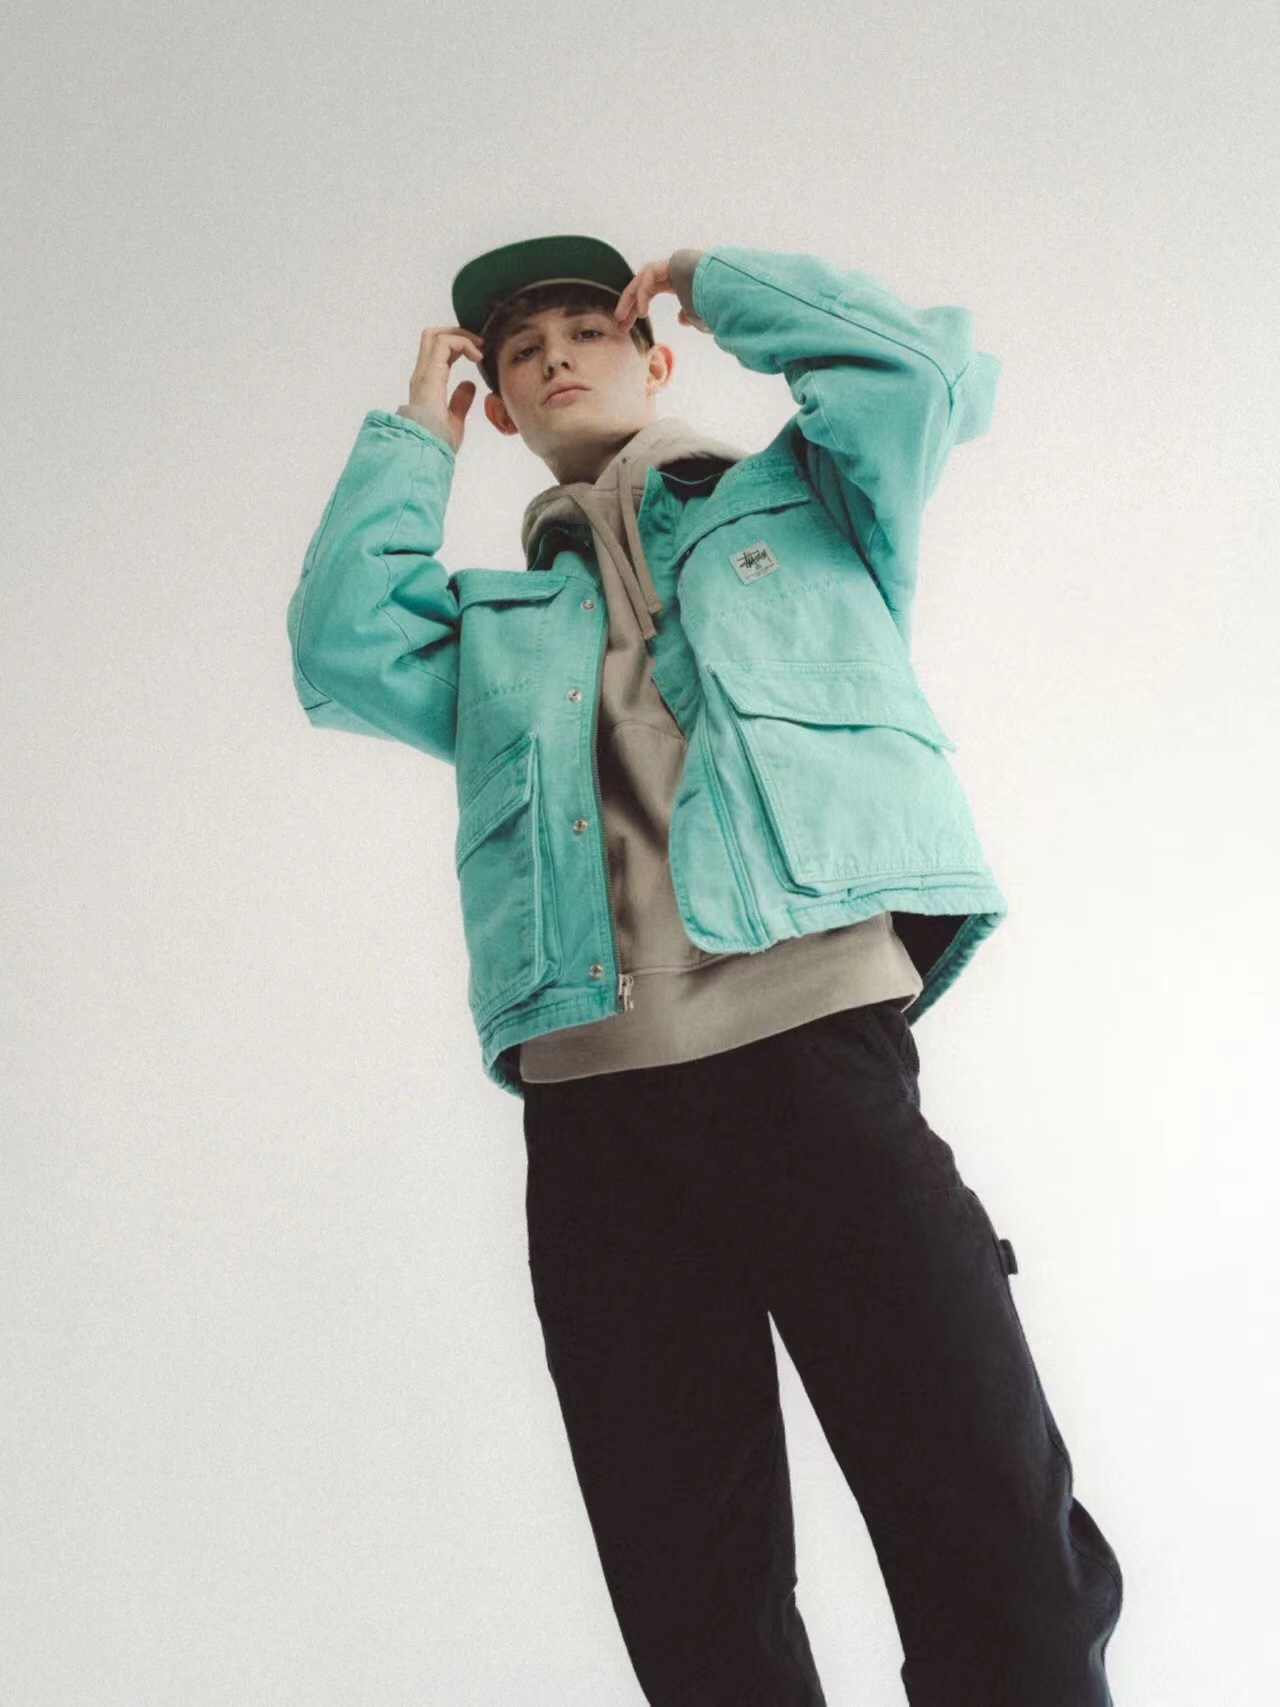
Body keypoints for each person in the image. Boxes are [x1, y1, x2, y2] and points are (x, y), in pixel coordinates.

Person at [286, 235, 1125, 1704]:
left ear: (657, 353)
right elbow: (341, 643)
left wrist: (713, 275)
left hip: (816, 1064)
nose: (554, 353)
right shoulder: (493, 629)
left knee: (993, 1532)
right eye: (519, 349)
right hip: (599, 1123)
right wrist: (415, 434)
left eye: (586, 326)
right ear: (503, 405)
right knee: (695, 1601)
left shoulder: (812, 501)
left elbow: (917, 372)